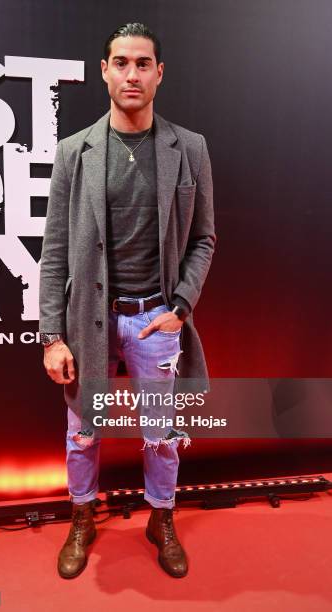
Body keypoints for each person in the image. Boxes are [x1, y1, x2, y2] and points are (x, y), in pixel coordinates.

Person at [39, 22, 215, 579]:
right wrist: (52, 335)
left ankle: (161, 517)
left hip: (154, 321)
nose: (131, 73)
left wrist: (181, 307)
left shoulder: (189, 147)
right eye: (121, 63)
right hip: (87, 322)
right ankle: (83, 515)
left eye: (143, 64)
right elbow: (55, 250)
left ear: (159, 74)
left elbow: (204, 238)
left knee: (160, 434)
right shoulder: (75, 152)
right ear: (105, 71)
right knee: (83, 431)